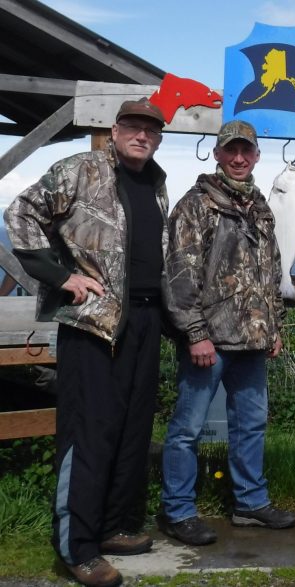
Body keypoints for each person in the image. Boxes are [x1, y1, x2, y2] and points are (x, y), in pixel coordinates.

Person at [4, 98, 169, 586]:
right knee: (89, 432)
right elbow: (20, 214)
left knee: (132, 430)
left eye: (151, 130)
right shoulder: (80, 169)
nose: (142, 135)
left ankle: (114, 526)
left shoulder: (157, 182)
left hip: (144, 321)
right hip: (92, 324)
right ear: (115, 130)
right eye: (134, 127)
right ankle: (76, 547)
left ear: (158, 138)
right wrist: (61, 277)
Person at [159, 119, 295, 546]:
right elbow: (180, 275)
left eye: (246, 151)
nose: (239, 158)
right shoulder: (196, 204)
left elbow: (271, 272)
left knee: (251, 426)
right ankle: (178, 511)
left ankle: (249, 503)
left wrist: (275, 326)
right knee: (188, 429)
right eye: (230, 150)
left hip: (254, 341)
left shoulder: (261, 207)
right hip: (210, 342)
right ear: (217, 154)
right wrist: (195, 333)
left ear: (256, 156)